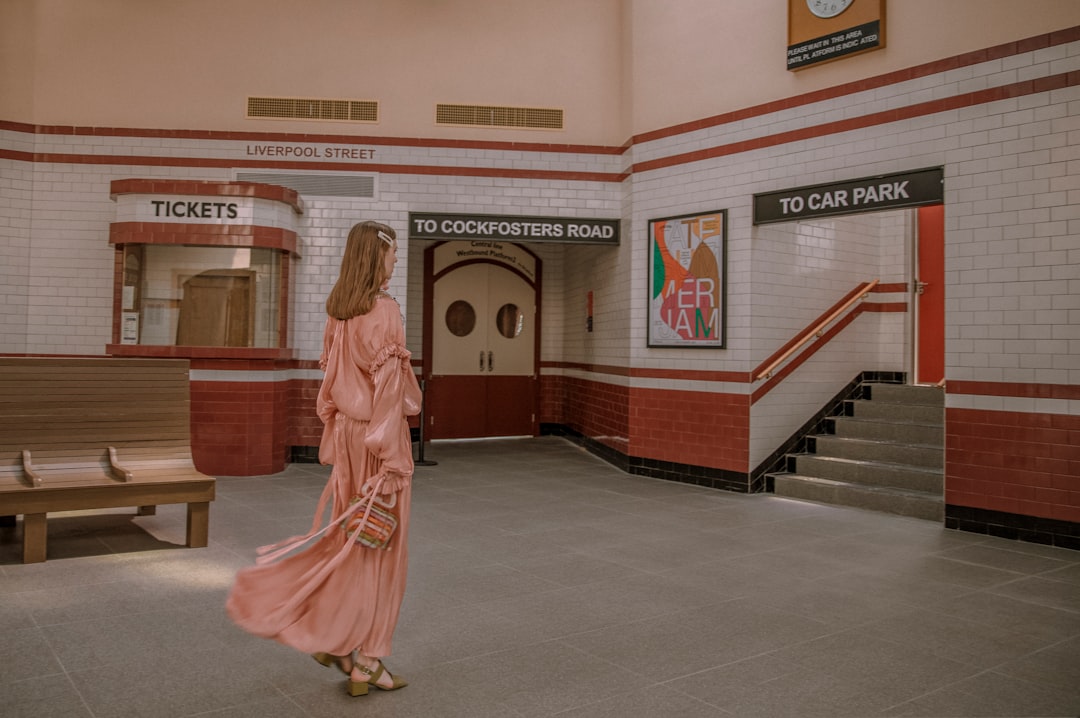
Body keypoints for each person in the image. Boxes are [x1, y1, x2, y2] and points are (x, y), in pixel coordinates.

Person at [226, 220, 422, 698]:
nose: (396, 261)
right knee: (382, 545)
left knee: (348, 538)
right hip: (379, 440)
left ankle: (337, 637)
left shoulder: (339, 312)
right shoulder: (385, 310)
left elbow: (329, 389)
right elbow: (391, 391)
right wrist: (394, 455)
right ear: (376, 258)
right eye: (392, 253)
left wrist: (339, 437)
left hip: (351, 438)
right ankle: (368, 659)